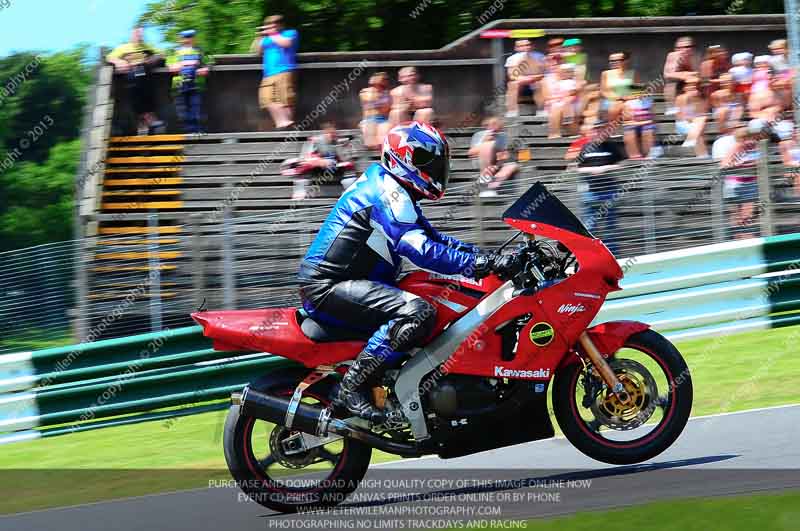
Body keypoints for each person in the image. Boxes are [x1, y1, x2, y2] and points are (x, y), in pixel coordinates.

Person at [297, 122, 515, 423]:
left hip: (347, 282)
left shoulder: (395, 190)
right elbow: (421, 250)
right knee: (419, 312)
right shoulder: (387, 192)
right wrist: (481, 265)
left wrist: (490, 258)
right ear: (405, 158)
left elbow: (437, 240)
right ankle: (352, 387)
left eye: (439, 162)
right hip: (329, 285)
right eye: (429, 161)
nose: (438, 169)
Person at [565, 120, 626, 253]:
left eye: (600, 129)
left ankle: (613, 254)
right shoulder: (586, 147)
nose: (598, 132)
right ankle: (591, 254)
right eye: (596, 129)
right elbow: (574, 168)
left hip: (609, 191)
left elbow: (622, 165)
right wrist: (591, 170)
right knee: (590, 226)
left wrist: (605, 168)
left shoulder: (611, 146)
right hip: (591, 193)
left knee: (611, 226)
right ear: (591, 131)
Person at [106, 26, 165, 136]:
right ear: (132, 35)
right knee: (137, 79)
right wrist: (119, 61)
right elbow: (109, 58)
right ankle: (147, 118)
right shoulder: (124, 48)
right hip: (130, 79)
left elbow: (161, 55)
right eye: (137, 34)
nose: (139, 36)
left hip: (145, 79)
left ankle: (144, 120)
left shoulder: (147, 47)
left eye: (141, 34)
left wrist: (148, 61)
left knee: (142, 75)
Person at [251, 14, 298, 129]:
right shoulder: (266, 38)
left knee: (285, 99)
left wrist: (273, 33)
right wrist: (259, 36)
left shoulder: (290, 33)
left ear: (281, 25)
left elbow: (286, 43)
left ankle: (287, 125)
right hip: (268, 73)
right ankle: (282, 122)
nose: (270, 27)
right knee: (266, 98)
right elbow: (256, 51)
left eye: (273, 25)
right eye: (268, 25)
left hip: (284, 70)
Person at [293, 121, 352, 200]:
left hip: (335, 169)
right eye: (327, 132)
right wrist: (318, 161)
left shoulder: (340, 141)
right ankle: (300, 190)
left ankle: (348, 192)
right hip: (317, 170)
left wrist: (336, 159)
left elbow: (346, 160)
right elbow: (304, 158)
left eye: (332, 131)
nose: (330, 134)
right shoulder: (314, 141)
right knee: (303, 166)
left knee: (349, 168)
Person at [167, 30, 209, 134]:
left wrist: (204, 69)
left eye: (190, 38)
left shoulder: (200, 50)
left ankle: (197, 133)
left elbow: (209, 62)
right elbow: (171, 67)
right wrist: (184, 65)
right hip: (180, 85)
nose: (187, 40)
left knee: (196, 110)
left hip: (196, 85)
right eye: (185, 38)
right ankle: (188, 135)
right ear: (181, 39)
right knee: (183, 113)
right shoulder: (174, 51)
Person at [468, 116, 520, 197]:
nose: (492, 126)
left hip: (507, 162)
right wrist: (484, 141)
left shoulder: (506, 136)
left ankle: (491, 187)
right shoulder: (481, 136)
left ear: (500, 125)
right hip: (489, 163)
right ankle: (486, 186)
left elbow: (513, 155)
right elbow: (471, 153)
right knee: (486, 147)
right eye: (489, 124)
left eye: (494, 124)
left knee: (508, 167)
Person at [504, 39, 545, 118]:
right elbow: (512, 76)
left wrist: (531, 78)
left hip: (535, 81)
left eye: (527, 45)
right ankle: (512, 111)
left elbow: (542, 74)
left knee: (539, 83)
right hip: (521, 82)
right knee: (512, 84)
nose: (525, 47)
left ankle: (541, 110)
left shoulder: (539, 56)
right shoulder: (511, 59)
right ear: (516, 48)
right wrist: (524, 79)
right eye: (521, 46)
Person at [675, 77, 709, 158]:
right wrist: (696, 120)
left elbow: (702, 112)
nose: (692, 87)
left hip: (695, 125)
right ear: (684, 87)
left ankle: (703, 156)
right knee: (701, 121)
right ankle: (703, 155)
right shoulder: (682, 97)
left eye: (694, 85)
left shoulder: (699, 98)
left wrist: (696, 99)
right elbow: (684, 116)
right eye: (689, 85)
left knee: (699, 132)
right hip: (683, 124)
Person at [663, 36, 697, 115]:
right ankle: (671, 107)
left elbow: (698, 74)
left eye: (688, 46)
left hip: (689, 85)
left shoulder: (695, 57)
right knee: (671, 83)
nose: (684, 49)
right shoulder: (673, 56)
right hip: (677, 84)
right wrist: (685, 75)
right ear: (676, 49)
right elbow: (667, 74)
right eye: (679, 48)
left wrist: (689, 75)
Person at [547, 63, 582, 139]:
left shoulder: (574, 82)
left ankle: (568, 125)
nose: (566, 74)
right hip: (560, 102)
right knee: (555, 107)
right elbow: (553, 95)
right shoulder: (559, 83)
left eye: (569, 71)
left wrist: (566, 97)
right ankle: (554, 132)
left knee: (562, 105)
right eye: (564, 72)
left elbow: (574, 92)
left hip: (572, 102)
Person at [359, 72, 392, 150]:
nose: (384, 81)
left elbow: (385, 108)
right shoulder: (365, 92)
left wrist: (380, 105)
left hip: (383, 119)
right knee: (371, 143)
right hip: (369, 119)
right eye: (382, 79)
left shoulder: (388, 93)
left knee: (383, 141)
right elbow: (369, 102)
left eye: (385, 79)